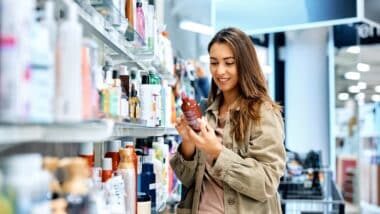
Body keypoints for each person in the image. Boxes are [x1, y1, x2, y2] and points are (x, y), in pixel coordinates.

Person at [170, 27, 286, 214]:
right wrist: (188, 142)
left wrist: (216, 151)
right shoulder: (205, 111)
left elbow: (267, 182)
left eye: (229, 63)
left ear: (244, 64)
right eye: (214, 63)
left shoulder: (263, 113)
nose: (220, 71)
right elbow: (189, 181)